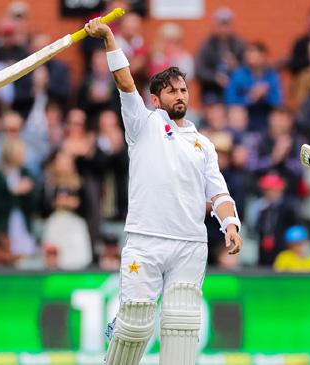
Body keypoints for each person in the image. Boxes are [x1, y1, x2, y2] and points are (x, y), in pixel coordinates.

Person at [83, 18, 242, 365]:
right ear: (156, 99)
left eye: (183, 89)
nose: (180, 95)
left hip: (189, 244)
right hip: (146, 239)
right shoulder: (143, 125)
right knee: (137, 327)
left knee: (181, 330)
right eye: (171, 90)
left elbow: (219, 195)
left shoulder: (204, 144)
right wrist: (109, 37)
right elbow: (124, 81)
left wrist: (231, 225)